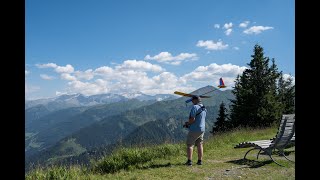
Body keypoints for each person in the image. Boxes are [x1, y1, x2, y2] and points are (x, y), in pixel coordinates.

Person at [183, 95, 207, 166]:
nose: (192, 102)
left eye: (192, 100)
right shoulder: (204, 108)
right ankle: (200, 161)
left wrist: (187, 123)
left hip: (194, 129)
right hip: (202, 129)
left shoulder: (194, 107)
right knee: (200, 144)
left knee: (190, 145)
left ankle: (189, 161)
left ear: (195, 100)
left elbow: (192, 119)